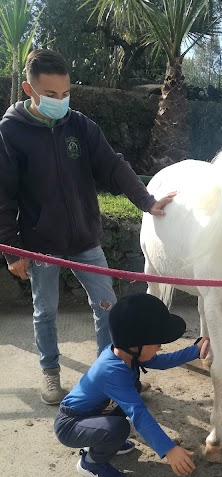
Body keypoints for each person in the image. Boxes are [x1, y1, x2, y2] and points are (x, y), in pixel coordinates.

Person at [0, 49, 174, 405]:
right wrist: (11, 250)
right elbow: (3, 195)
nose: (60, 102)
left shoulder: (79, 126)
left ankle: (108, 374)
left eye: (66, 94)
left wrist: (147, 200)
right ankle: (51, 374)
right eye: (51, 95)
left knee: (107, 306)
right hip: (40, 243)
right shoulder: (10, 133)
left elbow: (114, 165)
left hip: (84, 239)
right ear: (28, 90)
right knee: (45, 311)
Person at [53, 293, 210, 477]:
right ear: (135, 344)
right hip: (71, 424)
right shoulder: (112, 371)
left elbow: (162, 361)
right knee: (118, 428)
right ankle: (91, 462)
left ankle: (105, 440)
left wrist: (194, 350)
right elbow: (139, 414)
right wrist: (169, 449)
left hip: (97, 412)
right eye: (157, 343)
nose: (160, 347)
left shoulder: (126, 353)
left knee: (128, 397)